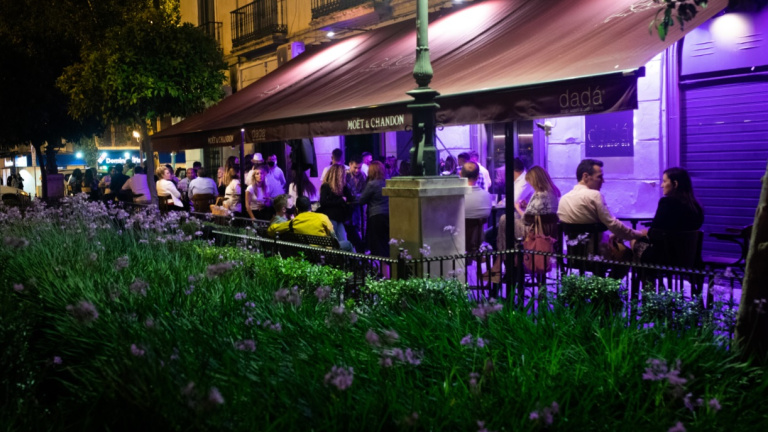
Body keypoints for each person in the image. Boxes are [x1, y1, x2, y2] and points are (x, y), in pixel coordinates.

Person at [557, 159, 644, 252]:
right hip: (597, 254)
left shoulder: (564, 199)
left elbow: (583, 235)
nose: (603, 181)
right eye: (599, 177)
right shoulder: (595, 195)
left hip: (573, 256)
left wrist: (610, 236)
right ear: (585, 176)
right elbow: (613, 224)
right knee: (629, 252)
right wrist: (639, 234)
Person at [635, 167, 704, 264]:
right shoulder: (696, 206)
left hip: (663, 259)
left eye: (664, 181)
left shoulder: (666, 203)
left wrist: (644, 233)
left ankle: (643, 274)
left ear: (675, 184)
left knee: (634, 241)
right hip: (687, 260)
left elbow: (654, 233)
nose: (662, 185)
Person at [268, 196, 354, 252]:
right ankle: (358, 268)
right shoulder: (323, 217)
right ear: (310, 207)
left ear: (297, 209)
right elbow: (333, 237)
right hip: (326, 252)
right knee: (348, 244)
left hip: (307, 253)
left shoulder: (293, 223)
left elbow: (271, 230)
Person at [359, 161, 390, 257]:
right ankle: (388, 264)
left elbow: (361, 200)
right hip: (388, 214)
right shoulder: (387, 182)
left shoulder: (372, 184)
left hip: (376, 215)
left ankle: (381, 265)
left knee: (377, 243)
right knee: (386, 242)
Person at [319, 163, 354, 242]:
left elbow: (350, 198)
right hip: (331, 217)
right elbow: (323, 202)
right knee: (334, 240)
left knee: (343, 239)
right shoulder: (326, 186)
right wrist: (340, 201)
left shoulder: (342, 187)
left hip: (339, 217)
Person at [345, 157, 368, 252]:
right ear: (350, 164)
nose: (357, 170)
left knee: (359, 226)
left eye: (359, 167)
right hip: (347, 206)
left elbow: (365, 191)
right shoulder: (345, 175)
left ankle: (359, 250)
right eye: (355, 167)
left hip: (358, 205)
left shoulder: (363, 175)